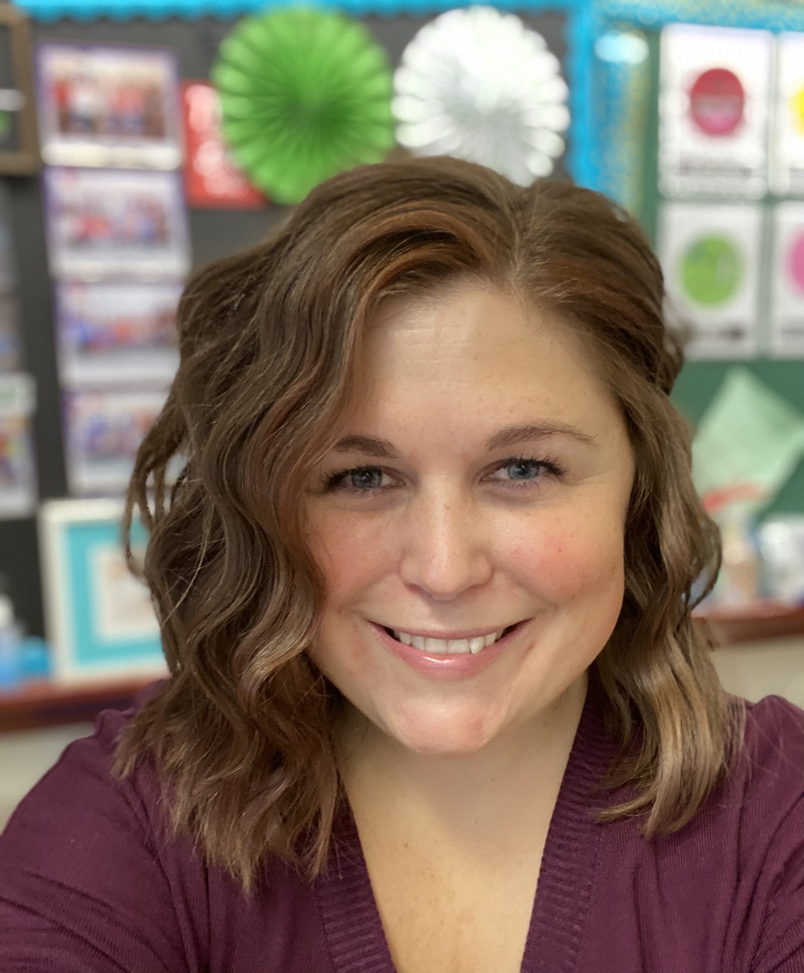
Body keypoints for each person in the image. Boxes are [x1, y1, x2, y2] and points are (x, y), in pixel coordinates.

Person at [1, 156, 802, 973]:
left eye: (523, 468)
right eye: (360, 478)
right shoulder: (123, 831)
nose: (445, 570)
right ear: (260, 509)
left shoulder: (777, 816)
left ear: (639, 491)